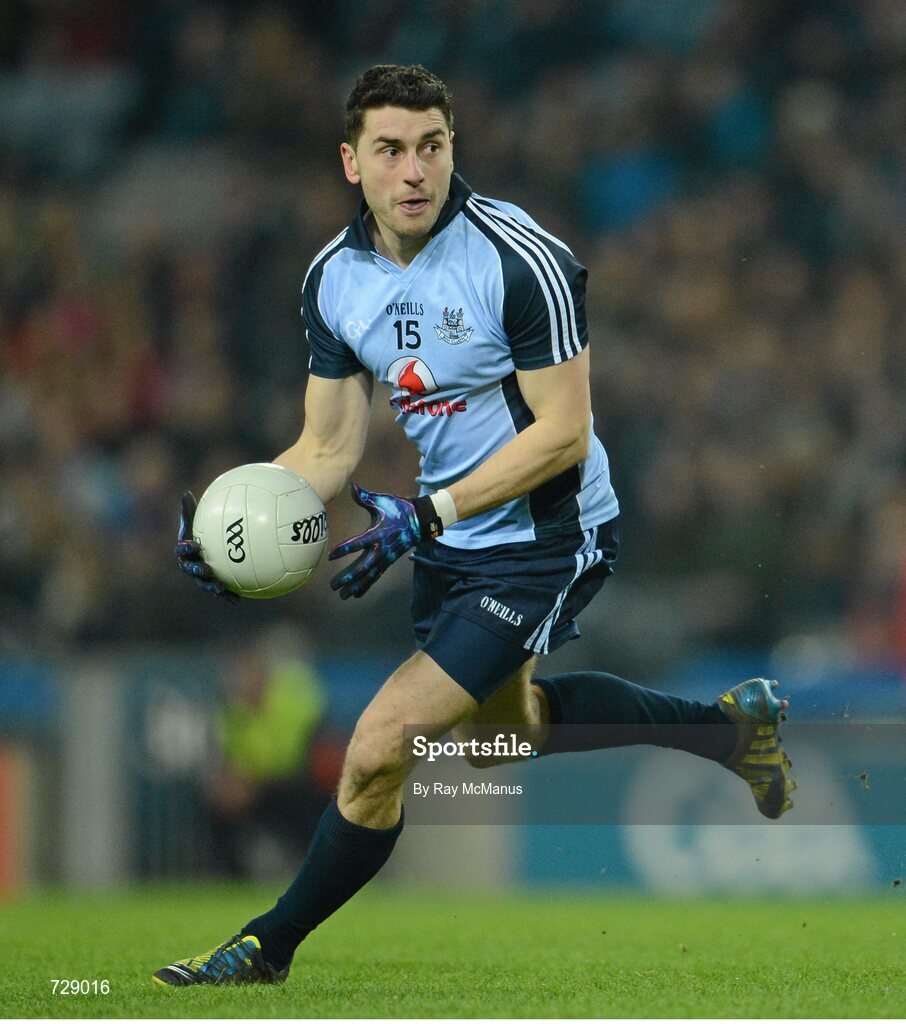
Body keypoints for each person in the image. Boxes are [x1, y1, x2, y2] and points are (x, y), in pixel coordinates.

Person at [154, 64, 795, 987]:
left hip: (549, 532)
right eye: (391, 150)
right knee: (509, 735)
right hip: (449, 538)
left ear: (453, 149)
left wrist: (431, 511)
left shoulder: (517, 259)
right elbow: (327, 446)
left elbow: (564, 433)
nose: (415, 170)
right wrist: (231, 529)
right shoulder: (334, 280)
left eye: (433, 147)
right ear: (352, 163)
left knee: (379, 748)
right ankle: (732, 733)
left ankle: (266, 946)